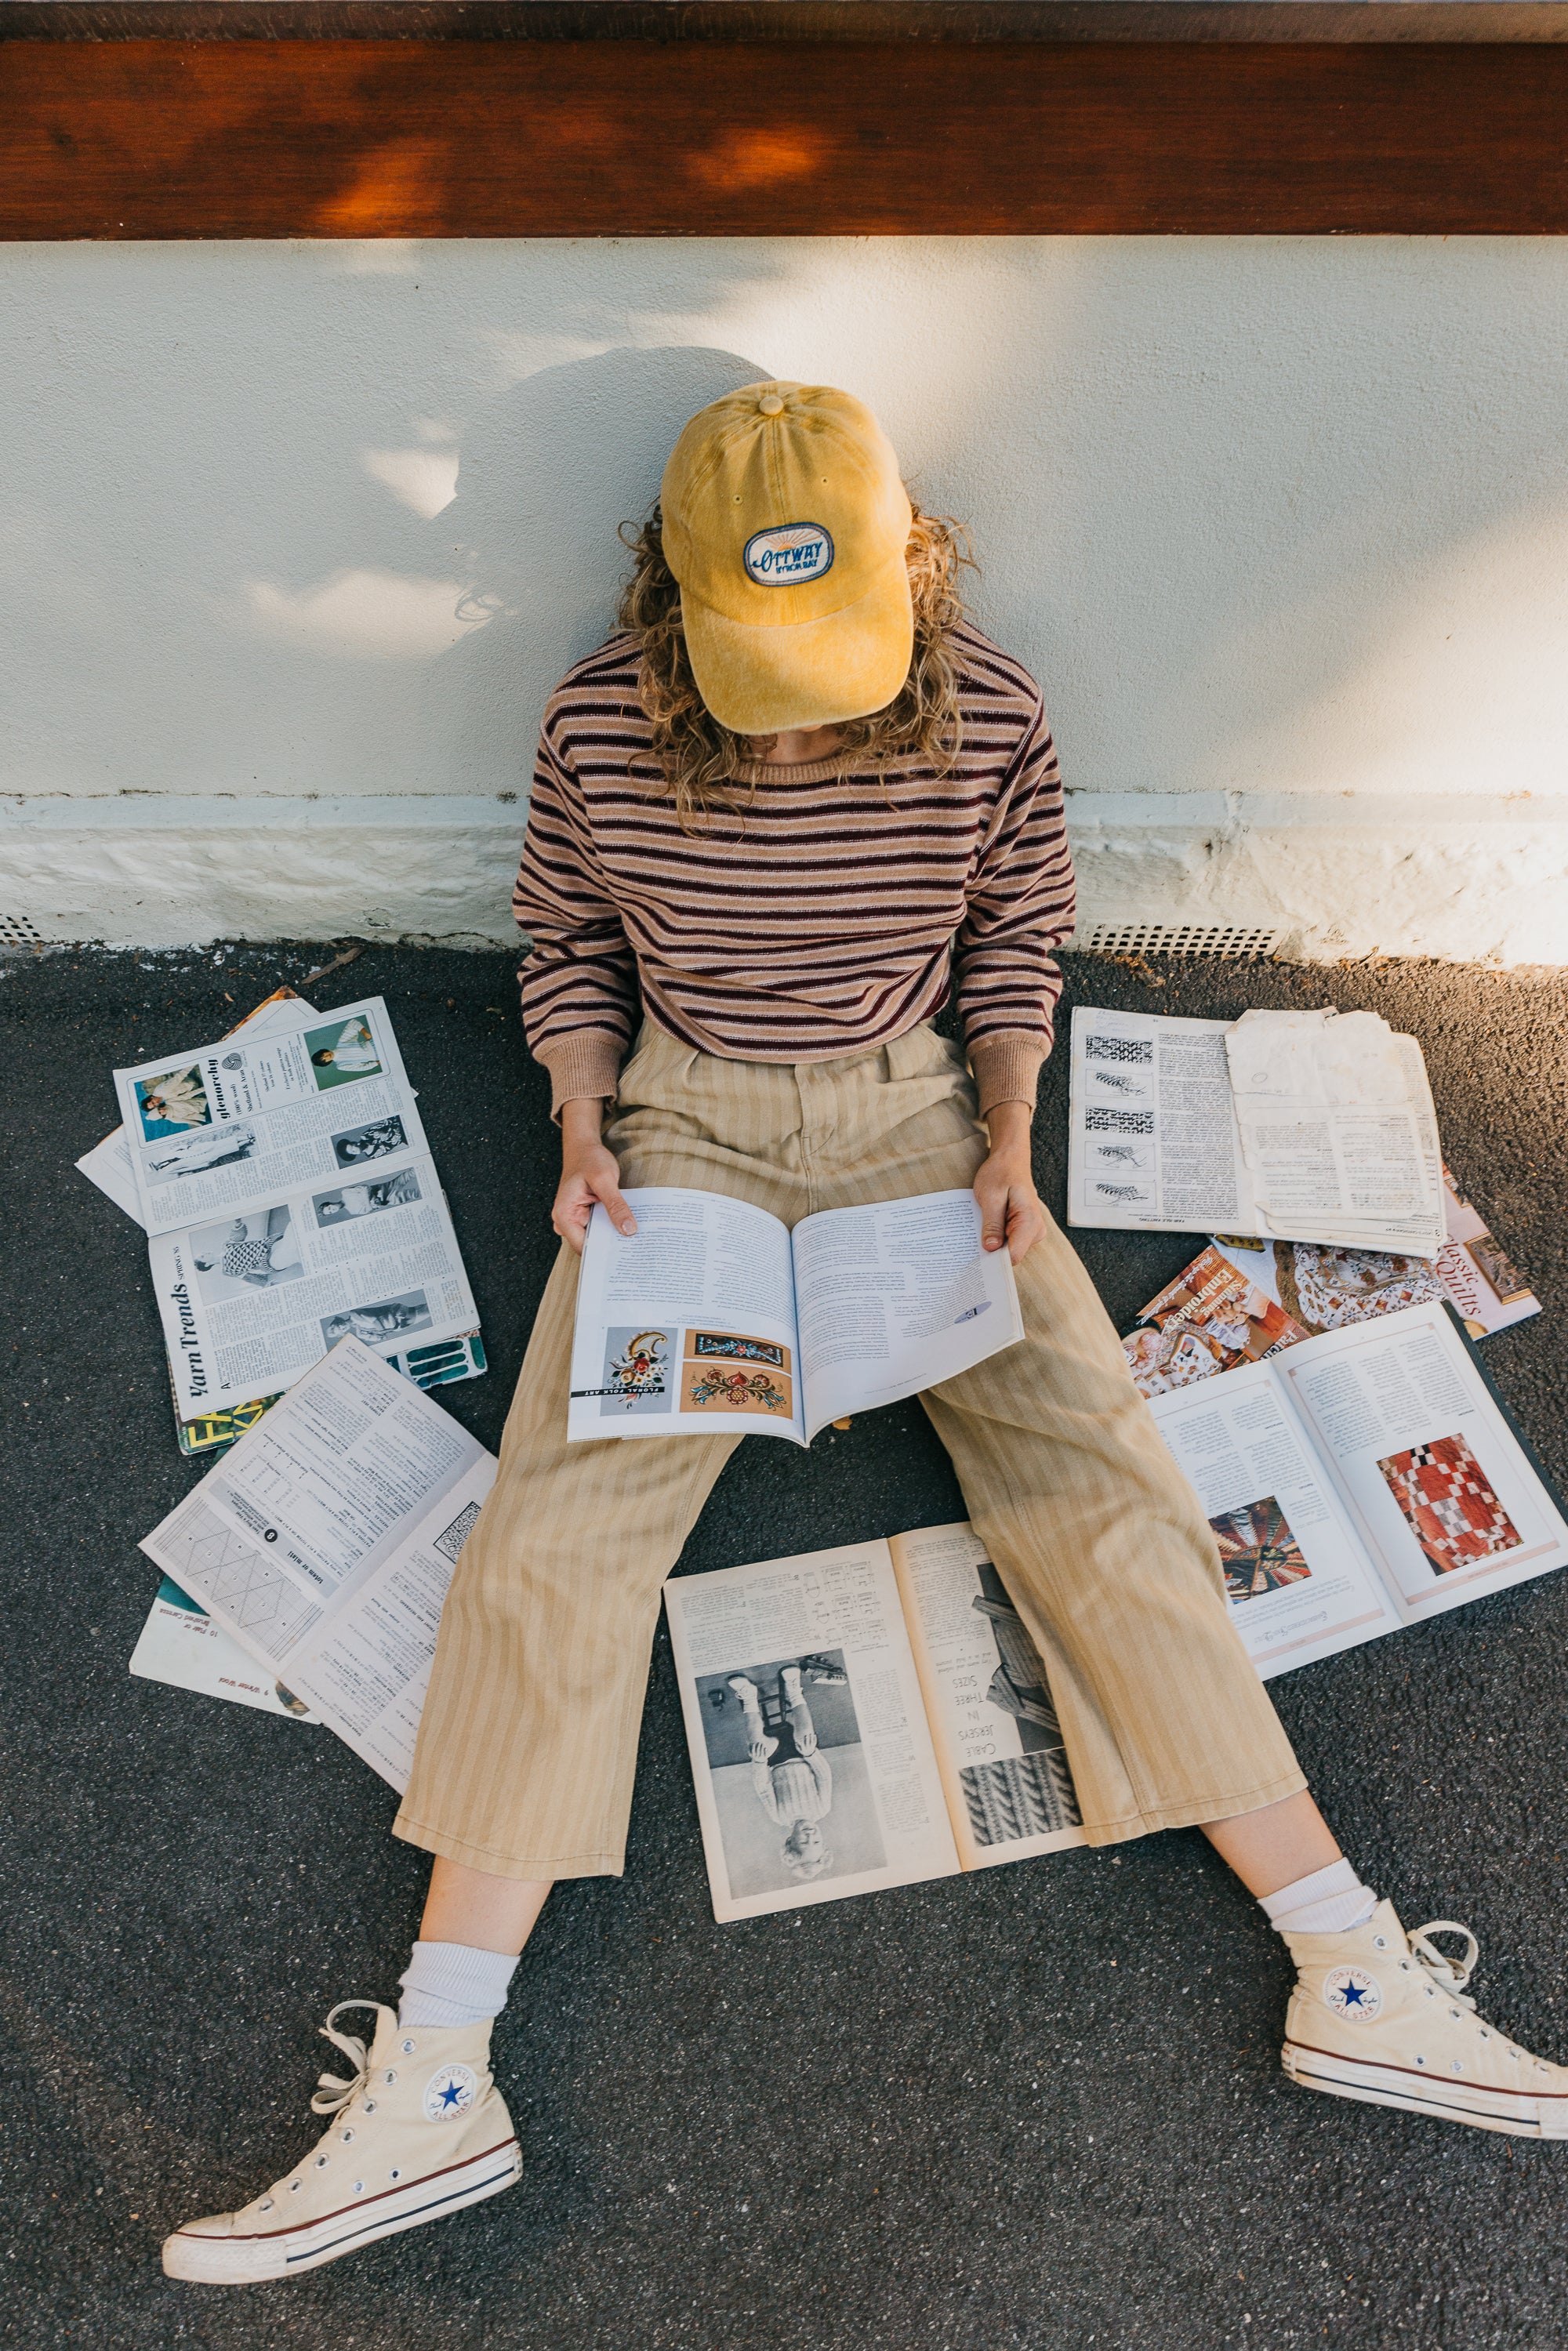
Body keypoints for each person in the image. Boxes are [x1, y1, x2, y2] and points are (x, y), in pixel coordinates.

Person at [164, 381, 1568, 2284]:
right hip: (683, 1123)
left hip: (919, 1115)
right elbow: (565, 937)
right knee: (551, 1548)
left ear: (912, 570)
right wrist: (578, 1124)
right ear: (672, 602)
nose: (807, 710)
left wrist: (1005, 1135)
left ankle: (1347, 1962)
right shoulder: (594, 712)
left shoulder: (988, 701)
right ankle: (432, 2080)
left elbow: (1015, 924)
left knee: (1101, 1484)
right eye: (762, 671)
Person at [728, 1667, 836, 1883]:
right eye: (817, 1842)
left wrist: (759, 1762)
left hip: (776, 1758)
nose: (810, 1836)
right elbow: (824, 1776)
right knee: (806, 1735)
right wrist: (811, 1753)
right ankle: (794, 1690)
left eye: (804, 1842)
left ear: (790, 1841)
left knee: (756, 1744)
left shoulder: (779, 1817)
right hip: (802, 1754)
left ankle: (749, 1697)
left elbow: (763, 1788)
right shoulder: (822, 1808)